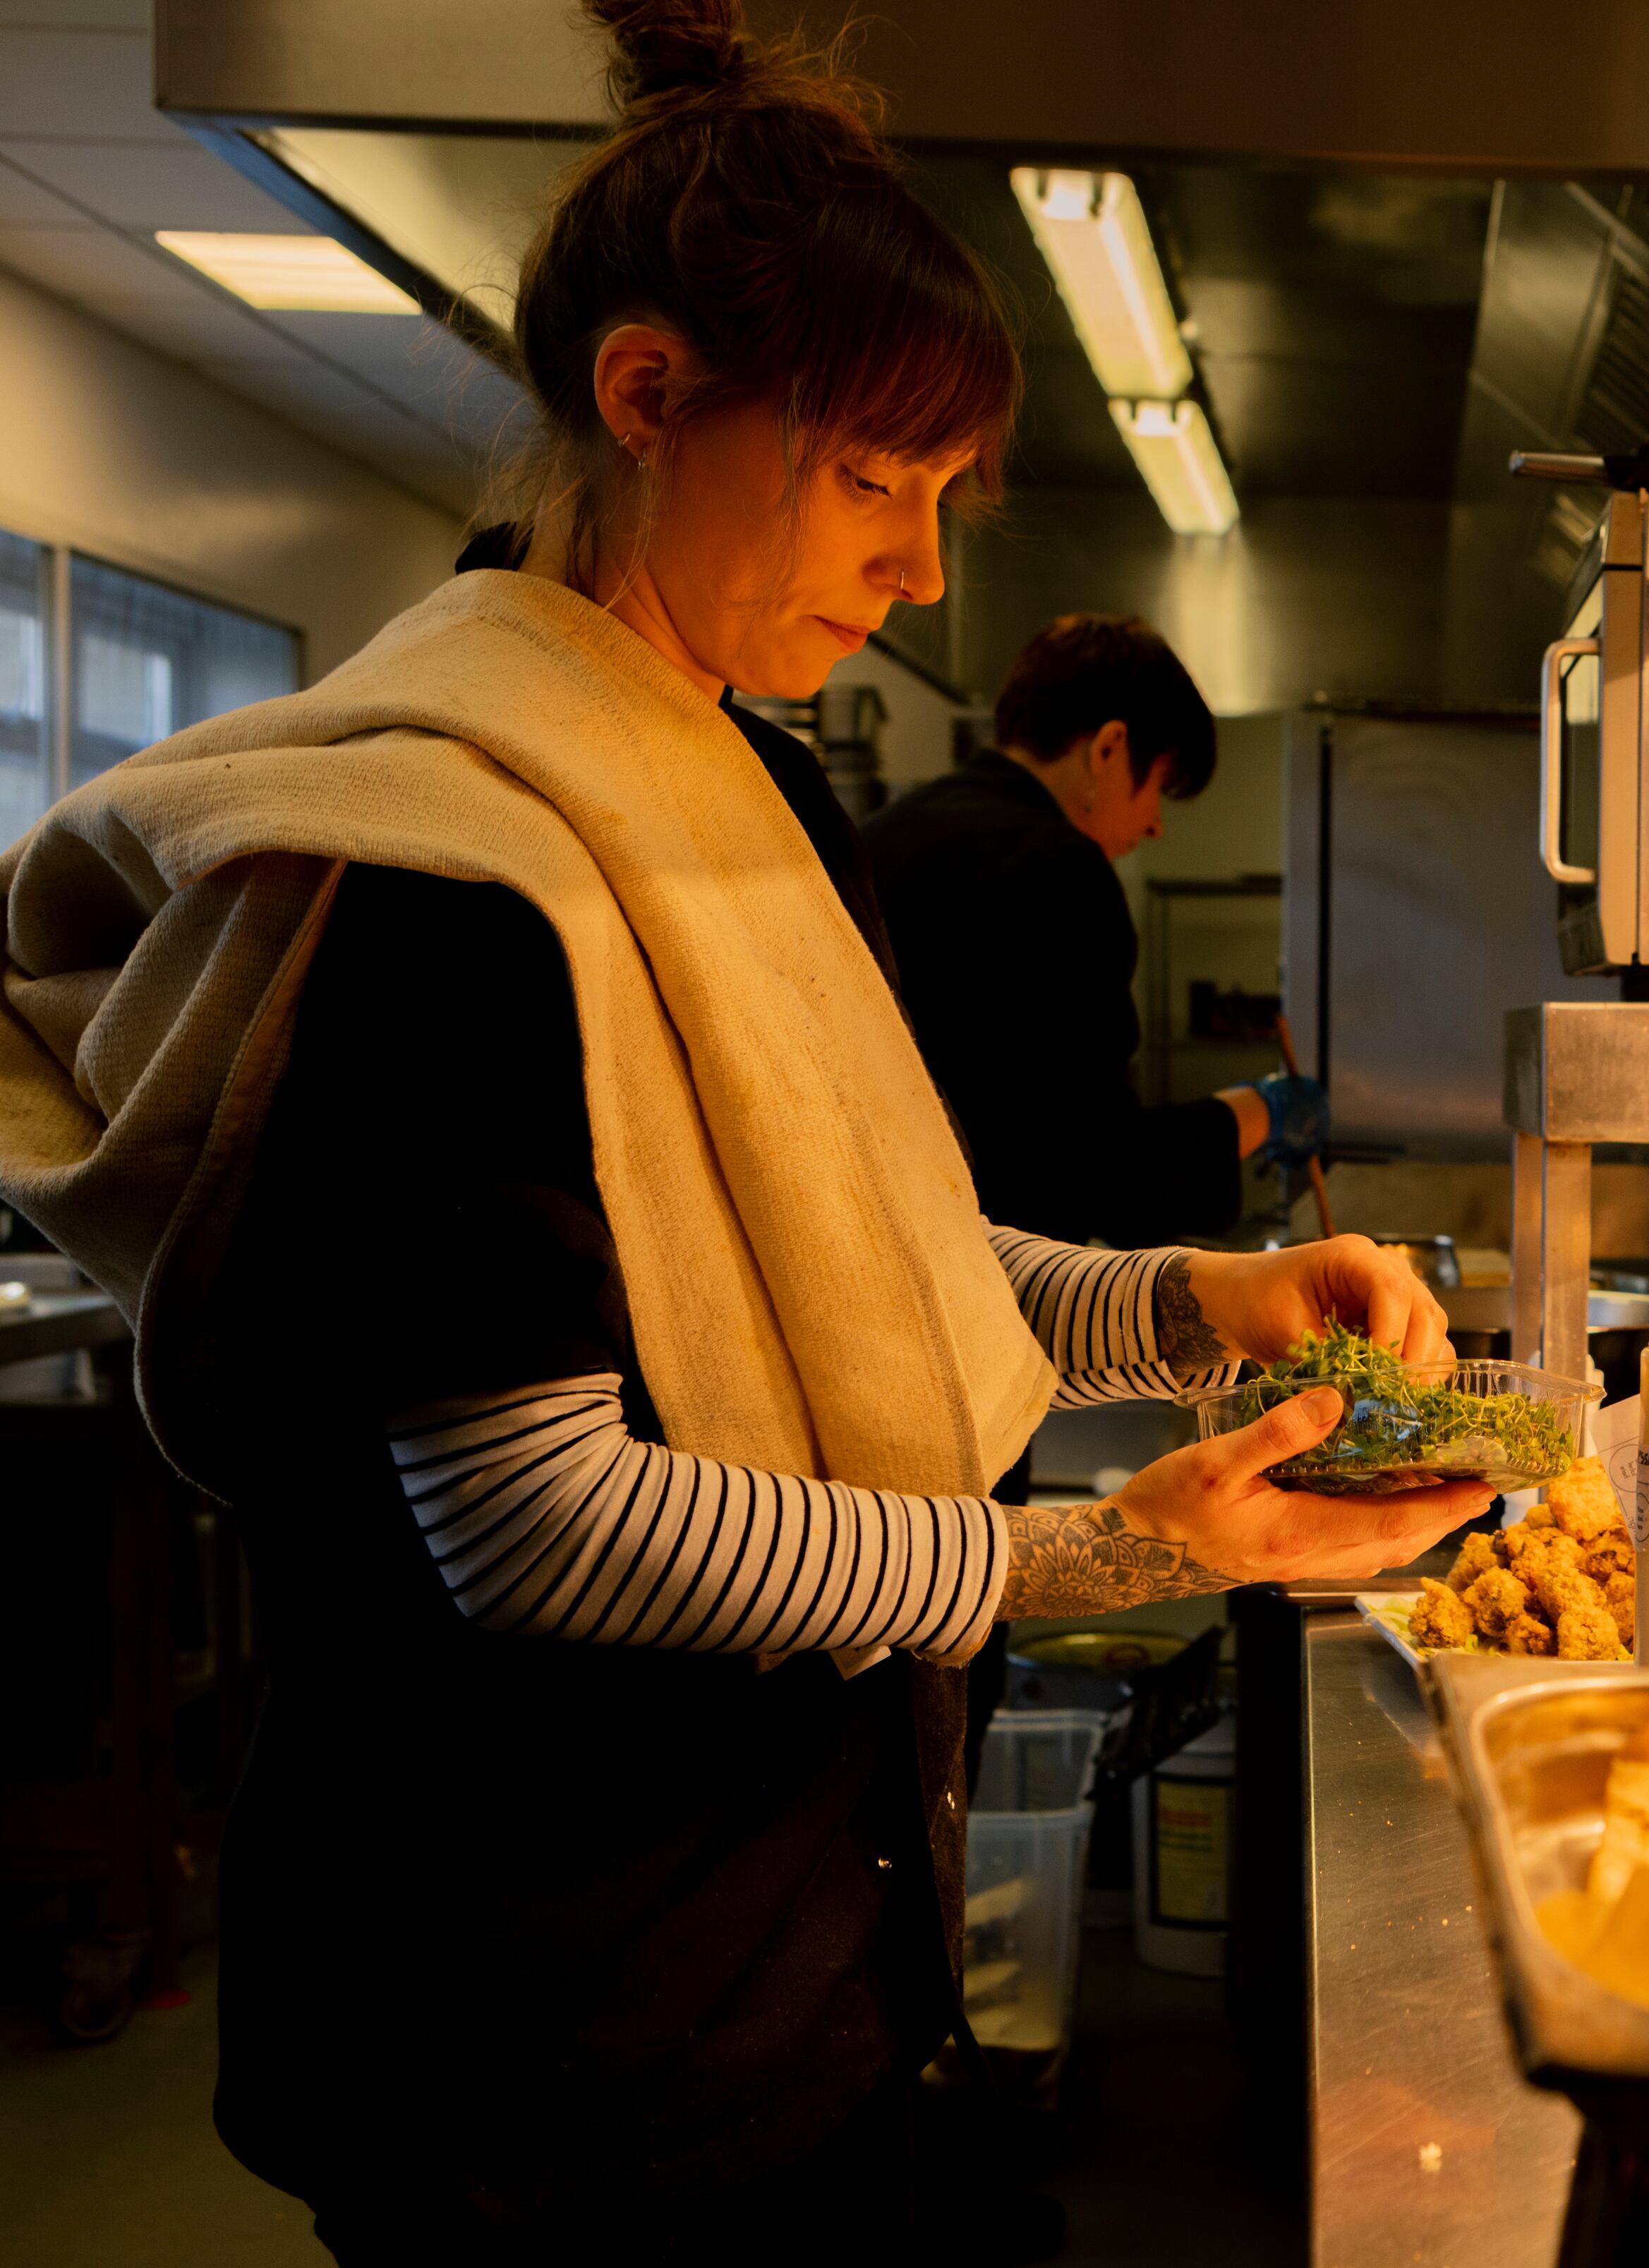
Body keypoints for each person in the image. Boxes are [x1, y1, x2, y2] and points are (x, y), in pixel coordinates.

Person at [0, 3, 1487, 2257]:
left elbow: (873, 1243)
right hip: (548, 2020)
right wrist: (1116, 1552)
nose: (913, 573)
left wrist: (1199, 1302)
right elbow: (539, 1521)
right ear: (648, 394)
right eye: (875, 483)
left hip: (790, 1950)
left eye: (940, 503)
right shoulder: (452, 870)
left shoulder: (743, 790)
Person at [864, 615, 1326, 1251]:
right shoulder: (1060, 873)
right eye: (1160, 788)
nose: (1157, 824)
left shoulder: (877, 836)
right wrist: (1254, 1113)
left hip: (876, 1240)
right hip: (993, 1276)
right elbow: (1108, 1173)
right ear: (1109, 748)